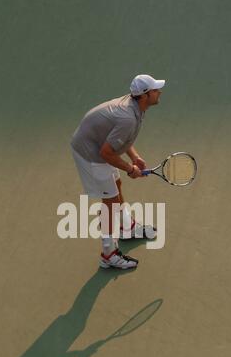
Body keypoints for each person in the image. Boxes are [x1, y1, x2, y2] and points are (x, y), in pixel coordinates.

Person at [70, 74, 165, 269]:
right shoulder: (127, 118)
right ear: (145, 95)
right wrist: (131, 169)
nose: (159, 92)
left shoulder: (136, 107)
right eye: (155, 90)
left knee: (117, 185)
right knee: (110, 203)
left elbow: (120, 139)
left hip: (99, 146)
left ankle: (127, 228)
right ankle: (108, 254)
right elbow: (106, 153)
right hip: (90, 153)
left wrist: (134, 157)